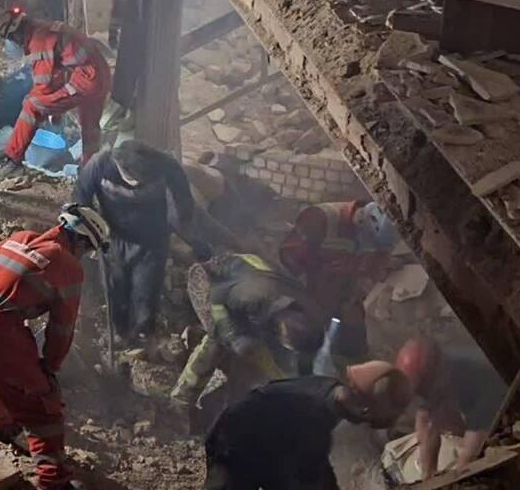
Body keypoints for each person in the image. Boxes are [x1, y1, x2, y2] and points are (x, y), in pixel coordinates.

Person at [0, 204, 111, 490]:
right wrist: (49, 368)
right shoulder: (67, 265)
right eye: (88, 250)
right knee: (43, 407)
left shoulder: (19, 238)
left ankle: (3, 425)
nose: (85, 257)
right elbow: (61, 328)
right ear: (81, 241)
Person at [201, 363, 411, 490]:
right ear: (363, 406)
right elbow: (313, 467)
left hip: (274, 452)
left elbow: (317, 462)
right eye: (367, 414)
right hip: (234, 446)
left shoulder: (324, 394)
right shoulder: (320, 413)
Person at [74, 140, 217, 346]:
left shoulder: (166, 165)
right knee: (116, 289)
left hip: (152, 240)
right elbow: (80, 201)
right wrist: (93, 234)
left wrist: (191, 236)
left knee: (146, 290)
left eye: (145, 180)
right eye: (134, 179)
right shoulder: (100, 165)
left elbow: (183, 204)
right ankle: (120, 332)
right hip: (114, 239)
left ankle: (143, 333)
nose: (139, 185)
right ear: (120, 166)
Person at [171, 253, 325, 406]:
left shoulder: (310, 315)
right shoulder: (250, 297)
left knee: (260, 346)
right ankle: (183, 396)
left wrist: (305, 387)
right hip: (212, 279)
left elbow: (303, 354)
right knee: (219, 341)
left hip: (250, 277)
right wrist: (233, 337)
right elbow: (217, 296)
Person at [0, 9, 111, 179]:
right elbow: (59, 69)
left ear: (17, 33)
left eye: (11, 38)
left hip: (86, 79)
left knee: (31, 106)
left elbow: (44, 85)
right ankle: (89, 171)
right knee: (89, 126)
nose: (14, 42)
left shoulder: (39, 41)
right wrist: (55, 108)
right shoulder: (45, 29)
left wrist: (44, 103)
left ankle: (13, 159)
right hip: (100, 73)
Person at [279, 200, 398, 365]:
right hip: (306, 296)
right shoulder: (318, 220)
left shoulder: (369, 233)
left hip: (336, 292)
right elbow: (287, 259)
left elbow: (376, 261)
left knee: (354, 335)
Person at [396, 336, 505, 479]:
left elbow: (471, 452)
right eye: (421, 391)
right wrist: (427, 476)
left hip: (504, 414)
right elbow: (426, 423)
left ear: (442, 370)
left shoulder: (479, 379)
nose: (425, 394)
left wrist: (454, 480)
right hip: (468, 424)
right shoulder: (430, 381)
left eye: (427, 387)